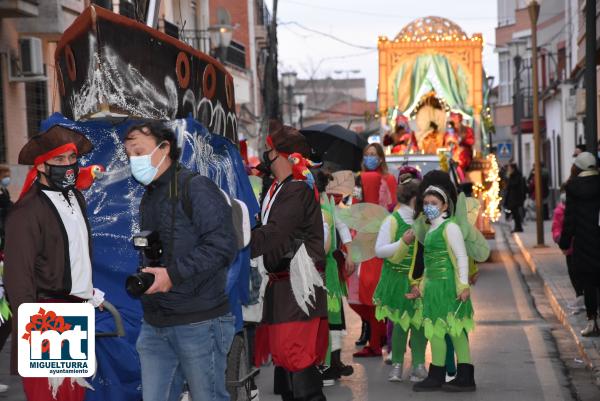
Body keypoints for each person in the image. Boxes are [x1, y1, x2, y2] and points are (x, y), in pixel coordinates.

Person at [123, 122, 237, 401]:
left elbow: (223, 246)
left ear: (165, 148)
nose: (133, 160)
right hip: (155, 321)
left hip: (199, 320)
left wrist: (172, 274)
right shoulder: (149, 196)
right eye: (129, 155)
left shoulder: (196, 188)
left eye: (139, 152)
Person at [4, 125, 105, 401]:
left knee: (73, 396)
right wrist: (36, 333)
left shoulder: (76, 198)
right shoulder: (27, 212)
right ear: (42, 167)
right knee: (48, 396)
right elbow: (18, 280)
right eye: (59, 160)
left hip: (76, 313)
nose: (69, 165)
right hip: (45, 317)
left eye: (72, 158)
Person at [251, 121, 328, 401]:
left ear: (282, 155)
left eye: (269, 150)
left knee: (298, 359)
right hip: (283, 288)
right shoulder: (281, 188)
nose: (266, 156)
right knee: (287, 361)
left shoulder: (295, 190)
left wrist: (242, 242)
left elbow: (276, 233)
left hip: (297, 288)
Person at [410, 185, 476, 392]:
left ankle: (466, 377)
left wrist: (464, 285)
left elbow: (461, 257)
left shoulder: (450, 228)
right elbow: (428, 264)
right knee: (435, 332)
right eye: (426, 203)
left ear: (445, 205)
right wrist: (420, 286)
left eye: (434, 203)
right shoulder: (430, 230)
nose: (429, 207)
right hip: (432, 290)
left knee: (455, 331)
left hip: (449, 287)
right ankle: (436, 375)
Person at [373, 172, 428, 382]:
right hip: (397, 280)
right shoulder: (392, 221)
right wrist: (403, 242)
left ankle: (418, 365)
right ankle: (396, 364)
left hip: (419, 280)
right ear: (415, 199)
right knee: (400, 324)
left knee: (419, 324)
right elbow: (379, 250)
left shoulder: (423, 222)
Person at [350, 143, 397, 358]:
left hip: (372, 238)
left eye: (373, 155)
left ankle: (377, 341)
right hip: (377, 237)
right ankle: (379, 338)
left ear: (380, 158)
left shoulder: (377, 179)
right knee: (372, 289)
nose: (370, 158)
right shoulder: (364, 179)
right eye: (366, 154)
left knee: (368, 289)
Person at [317, 170, 354, 386]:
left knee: (332, 317)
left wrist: (349, 252)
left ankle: (332, 364)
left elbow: (342, 228)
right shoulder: (315, 203)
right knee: (327, 318)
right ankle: (327, 365)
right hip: (321, 267)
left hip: (328, 267)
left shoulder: (327, 202)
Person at [559, 152, 600, 337]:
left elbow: (570, 219)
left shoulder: (573, 188)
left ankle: (592, 322)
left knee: (589, 283)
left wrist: (564, 241)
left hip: (584, 243)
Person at [552, 185, 584, 313]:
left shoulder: (578, 209)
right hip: (569, 247)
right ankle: (579, 296)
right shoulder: (559, 211)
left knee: (580, 271)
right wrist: (559, 239)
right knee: (573, 272)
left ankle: (583, 297)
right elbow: (556, 227)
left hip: (579, 246)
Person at [504, 162, 526, 232]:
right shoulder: (513, 175)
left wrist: (508, 178)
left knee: (516, 213)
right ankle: (517, 227)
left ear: (513, 169)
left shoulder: (516, 175)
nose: (508, 169)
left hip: (515, 198)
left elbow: (513, 185)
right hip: (512, 198)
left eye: (509, 168)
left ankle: (518, 227)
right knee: (514, 213)